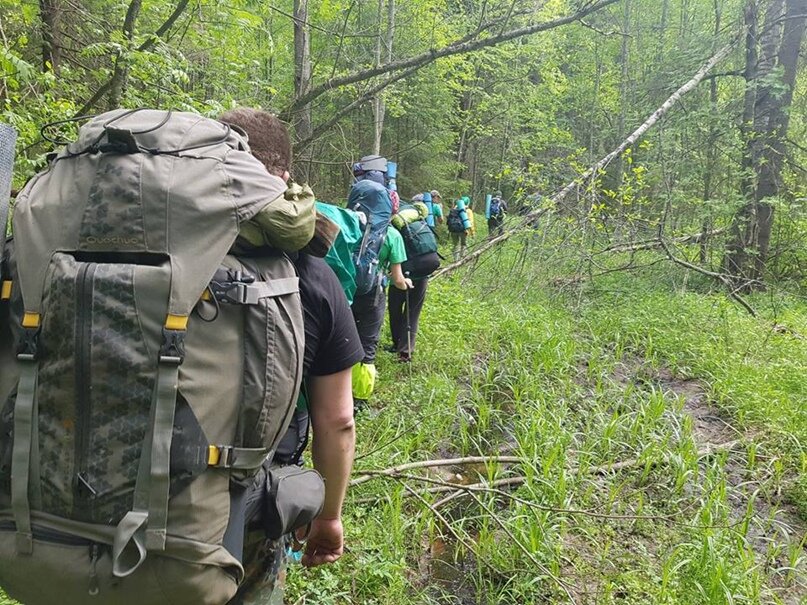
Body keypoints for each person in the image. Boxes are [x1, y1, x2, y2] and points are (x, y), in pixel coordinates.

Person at [219, 108, 363, 604]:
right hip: (241, 507)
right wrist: (328, 516)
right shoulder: (311, 276)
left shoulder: (141, 245)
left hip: (93, 500)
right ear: (282, 178)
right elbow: (337, 420)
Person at [351, 222, 412, 411]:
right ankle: (359, 399)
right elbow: (398, 280)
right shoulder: (392, 235)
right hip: (373, 296)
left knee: (343, 339)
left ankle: (336, 391)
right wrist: (406, 283)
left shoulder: (349, 224)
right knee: (367, 345)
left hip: (345, 292)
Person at [446, 197, 472, 262]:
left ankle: (455, 260)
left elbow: (449, 219)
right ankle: (463, 259)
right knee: (463, 244)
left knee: (455, 245)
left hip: (453, 230)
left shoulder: (453, 209)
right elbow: (470, 222)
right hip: (463, 230)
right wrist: (472, 232)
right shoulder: (467, 210)